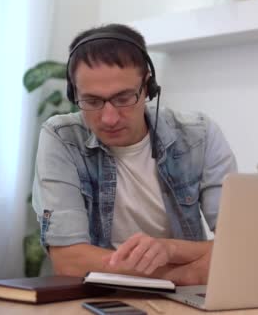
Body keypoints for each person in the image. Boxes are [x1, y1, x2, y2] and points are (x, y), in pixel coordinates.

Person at [32, 23, 237, 285]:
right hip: (99, 296)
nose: (109, 118)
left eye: (123, 98)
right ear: (74, 94)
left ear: (148, 88)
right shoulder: (62, 138)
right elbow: (69, 261)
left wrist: (169, 249)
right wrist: (183, 274)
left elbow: (238, 246)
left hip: (183, 302)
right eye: (92, 101)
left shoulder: (199, 135)